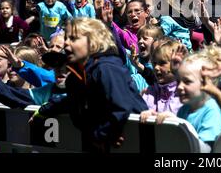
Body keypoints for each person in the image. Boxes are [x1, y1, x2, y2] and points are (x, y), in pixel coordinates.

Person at [34, 18, 148, 152]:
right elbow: (73, 101)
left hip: (135, 143)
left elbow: (121, 107)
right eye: (66, 38)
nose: (66, 44)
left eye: (73, 38)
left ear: (92, 42)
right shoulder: (77, 77)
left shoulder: (107, 68)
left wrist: (100, 135)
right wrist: (44, 110)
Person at [155, 45, 221, 152]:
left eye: (187, 82)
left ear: (207, 83)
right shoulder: (184, 109)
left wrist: (179, 124)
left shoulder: (212, 111)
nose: (179, 87)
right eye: (179, 81)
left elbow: (205, 150)